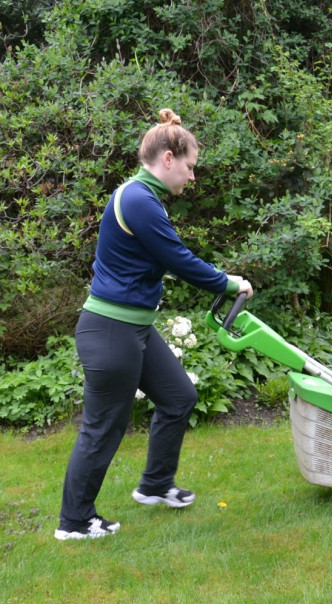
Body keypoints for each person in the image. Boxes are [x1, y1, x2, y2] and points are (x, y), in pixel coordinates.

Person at [55, 109, 253, 541]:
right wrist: (229, 282)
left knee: (180, 396)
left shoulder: (141, 197)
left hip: (133, 330)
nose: (192, 177)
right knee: (103, 427)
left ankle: (155, 484)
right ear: (168, 159)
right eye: (189, 167)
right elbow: (176, 259)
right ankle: (74, 522)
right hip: (111, 331)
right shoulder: (139, 199)